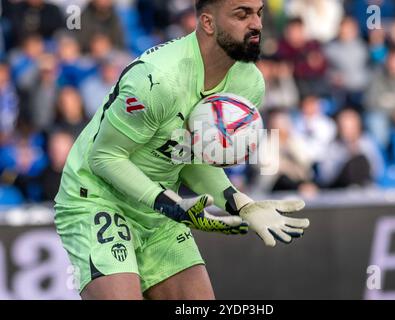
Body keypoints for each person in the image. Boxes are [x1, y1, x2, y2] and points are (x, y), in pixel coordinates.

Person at [54, 0, 310, 300]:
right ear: (208, 23)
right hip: (97, 197)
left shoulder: (249, 83)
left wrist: (240, 203)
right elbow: (104, 157)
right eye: (242, 14)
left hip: (160, 206)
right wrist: (169, 203)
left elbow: (188, 155)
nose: (257, 24)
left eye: (259, 13)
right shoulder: (157, 79)